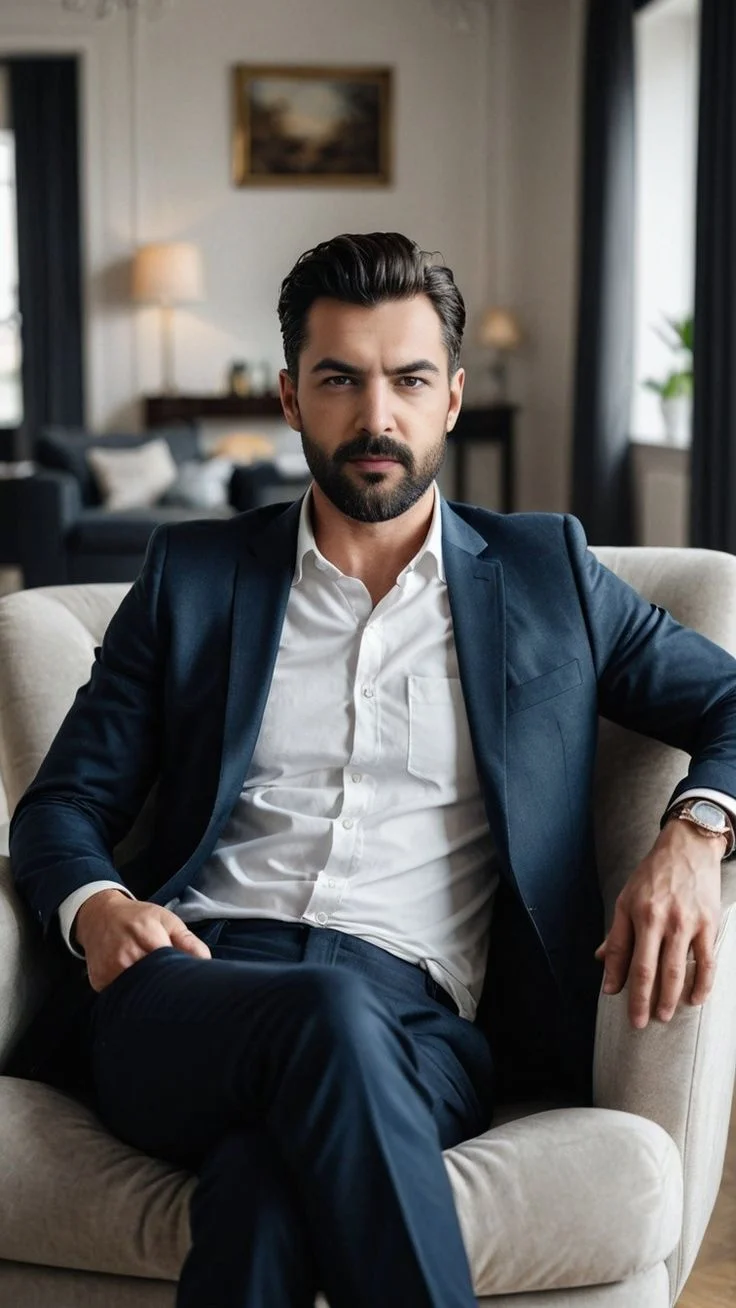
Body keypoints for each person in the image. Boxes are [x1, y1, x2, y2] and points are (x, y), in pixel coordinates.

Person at [9, 231, 736, 1308]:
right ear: (290, 398)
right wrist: (98, 904)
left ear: (449, 398)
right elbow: (63, 803)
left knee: (260, 1193)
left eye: (405, 380)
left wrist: (694, 832)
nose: (375, 416)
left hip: (420, 1024)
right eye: (340, 380)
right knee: (321, 1022)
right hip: (193, 992)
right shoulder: (195, 577)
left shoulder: (548, 577)